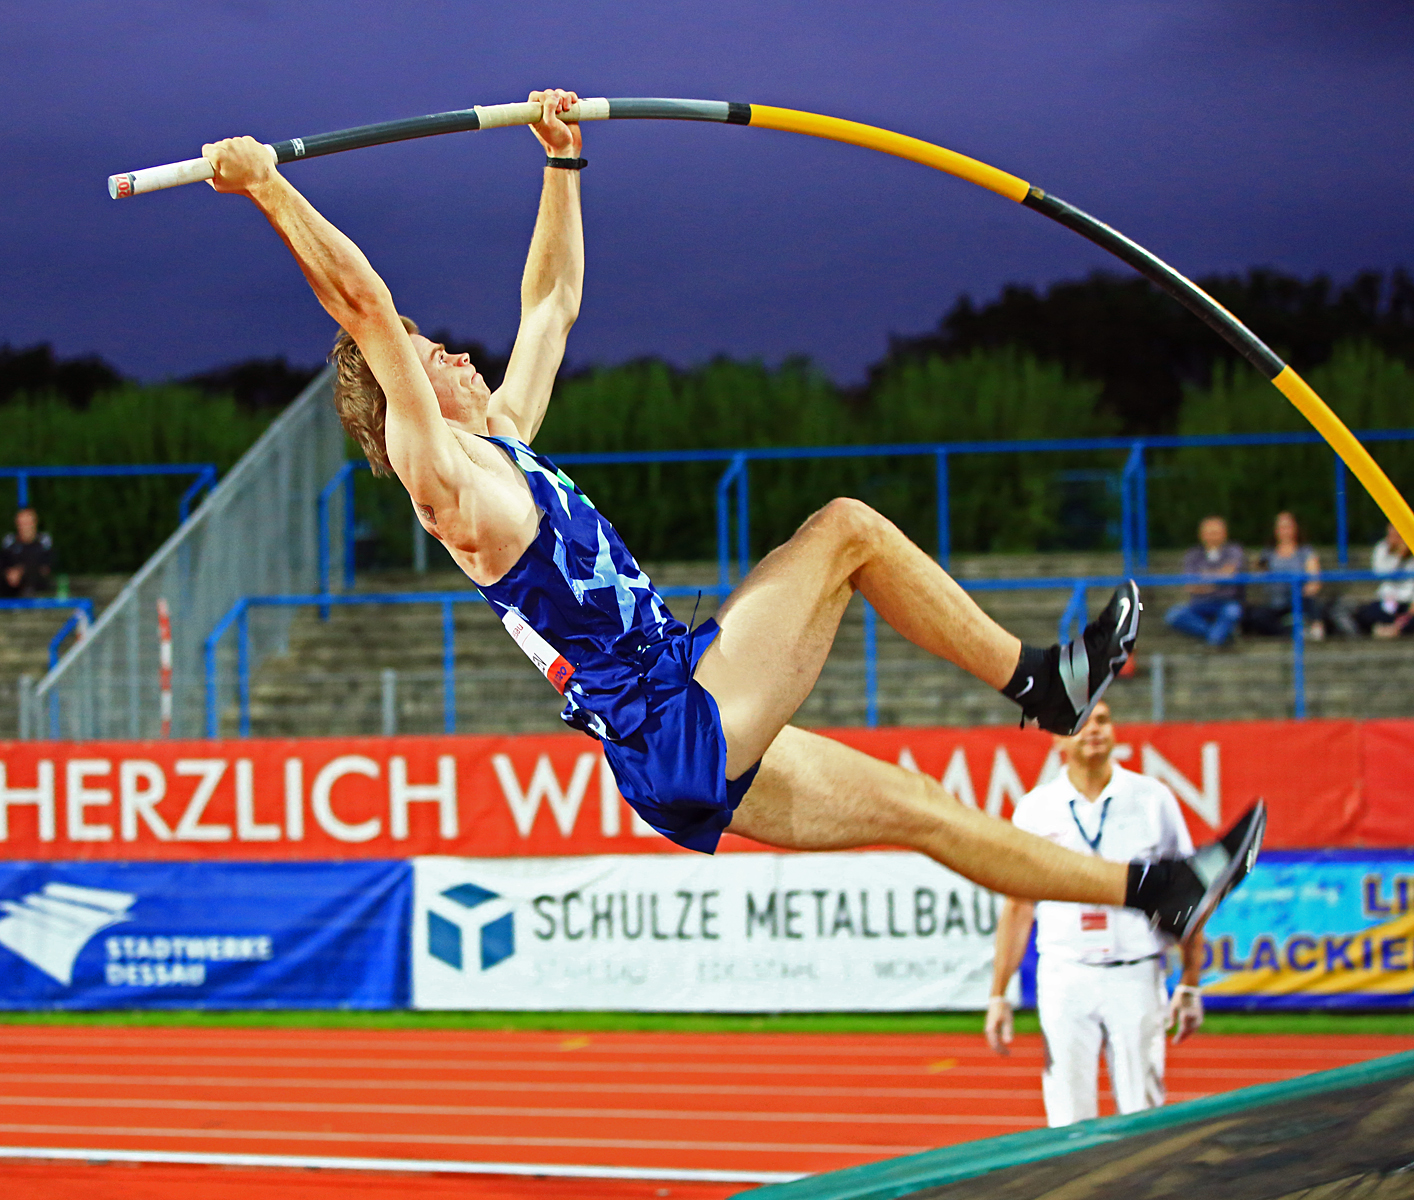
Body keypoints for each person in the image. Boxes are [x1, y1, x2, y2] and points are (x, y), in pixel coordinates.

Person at [197, 90, 1262, 939]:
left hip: (681, 720)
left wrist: (559, 162)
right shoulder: (446, 484)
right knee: (843, 527)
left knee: (928, 811)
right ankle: (1043, 683)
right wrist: (268, 190)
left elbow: (551, 304)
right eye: (436, 362)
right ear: (407, 402)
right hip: (676, 718)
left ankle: (1156, 894)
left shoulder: (503, 445)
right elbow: (364, 306)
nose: (460, 357)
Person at [984, 700, 1205, 1126]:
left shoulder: (1152, 799)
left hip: (1136, 974)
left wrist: (1191, 983)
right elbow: (1018, 906)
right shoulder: (1034, 809)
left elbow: (1189, 895)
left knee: (1143, 1111)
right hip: (1066, 976)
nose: (1094, 729)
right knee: (1067, 1113)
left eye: (1102, 719)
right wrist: (998, 994)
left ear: (1115, 732)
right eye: (1081, 723)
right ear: (1057, 740)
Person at [1243, 511, 1327, 639]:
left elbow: (1314, 579)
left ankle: (1312, 628)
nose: (1284, 531)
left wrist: (1307, 589)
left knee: (1309, 603)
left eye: (1288, 527)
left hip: (1298, 600)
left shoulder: (1305, 551)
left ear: (1295, 529)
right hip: (1275, 603)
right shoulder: (1268, 553)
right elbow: (1258, 574)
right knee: (1258, 617)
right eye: (1281, 527)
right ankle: (1293, 633)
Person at [1165, 515, 1245, 646]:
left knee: (1233, 612)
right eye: (1209, 533)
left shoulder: (1234, 551)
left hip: (1226, 603)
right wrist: (1219, 579)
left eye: (1216, 532)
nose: (1212, 536)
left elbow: (1230, 574)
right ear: (1201, 534)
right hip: (1199, 604)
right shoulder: (1193, 554)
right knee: (1173, 615)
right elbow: (1190, 585)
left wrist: (1204, 578)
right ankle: (1216, 636)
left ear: (1224, 534)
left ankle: (1214, 639)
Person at [1351, 522, 1414, 637]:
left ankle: (1396, 629)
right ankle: (1388, 628)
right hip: (1387, 600)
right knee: (1363, 613)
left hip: (1408, 602)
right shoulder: (1382, 548)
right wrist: (1398, 556)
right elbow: (1380, 573)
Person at [0, 508, 54, 598]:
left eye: (27, 523)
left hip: (37, 587)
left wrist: (21, 572)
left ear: (34, 523)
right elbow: (3, 562)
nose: (24, 527)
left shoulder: (43, 541)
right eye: (20, 523)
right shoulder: (10, 542)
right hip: (10, 589)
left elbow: (46, 566)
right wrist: (8, 573)